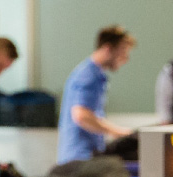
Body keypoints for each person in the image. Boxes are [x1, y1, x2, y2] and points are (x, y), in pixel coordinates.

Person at [56, 26, 137, 164]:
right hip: (79, 158)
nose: (126, 58)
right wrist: (119, 132)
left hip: (86, 156)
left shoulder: (96, 75)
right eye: (123, 51)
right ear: (107, 49)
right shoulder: (88, 75)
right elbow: (81, 116)